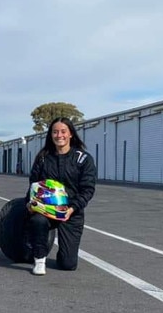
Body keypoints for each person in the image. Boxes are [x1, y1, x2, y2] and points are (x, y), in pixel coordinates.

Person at [25, 117, 97, 276]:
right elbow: (33, 184)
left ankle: (64, 253)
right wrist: (29, 203)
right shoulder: (43, 157)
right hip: (45, 208)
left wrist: (72, 208)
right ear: (51, 135)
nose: (59, 135)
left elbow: (87, 190)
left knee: (68, 264)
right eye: (55, 132)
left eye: (63, 131)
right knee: (37, 220)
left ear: (71, 134)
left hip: (71, 212)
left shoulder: (83, 159)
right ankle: (39, 259)